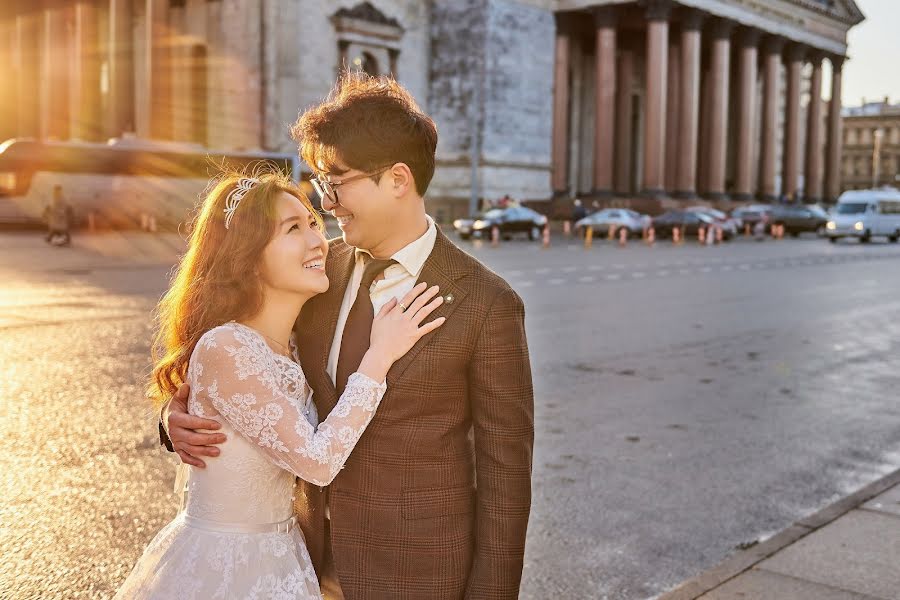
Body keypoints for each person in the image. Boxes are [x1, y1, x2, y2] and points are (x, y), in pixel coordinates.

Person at [164, 73, 534, 599]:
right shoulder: (314, 277)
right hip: (301, 568)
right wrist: (179, 419)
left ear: (398, 179)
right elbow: (245, 369)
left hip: (419, 579)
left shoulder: (486, 304)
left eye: (336, 183)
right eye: (320, 185)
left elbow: (505, 480)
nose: (327, 203)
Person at [116, 168, 446, 599]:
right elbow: (316, 461)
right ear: (247, 257)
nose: (318, 241)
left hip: (286, 555)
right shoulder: (226, 346)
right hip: (225, 567)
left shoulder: (294, 342)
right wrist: (379, 356)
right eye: (293, 229)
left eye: (313, 223)